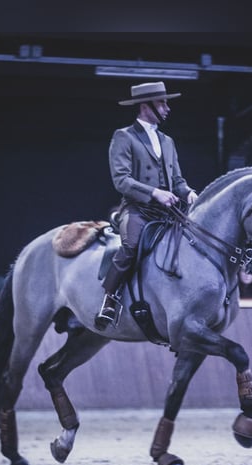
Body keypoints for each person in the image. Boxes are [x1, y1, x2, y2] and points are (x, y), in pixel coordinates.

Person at [95, 81, 198, 330]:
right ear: (145, 105)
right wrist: (154, 193)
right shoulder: (124, 137)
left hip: (167, 211)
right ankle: (109, 299)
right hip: (137, 209)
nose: (167, 108)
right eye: (162, 102)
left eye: (165, 102)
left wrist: (190, 193)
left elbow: (177, 180)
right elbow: (121, 180)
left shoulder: (168, 141)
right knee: (130, 247)